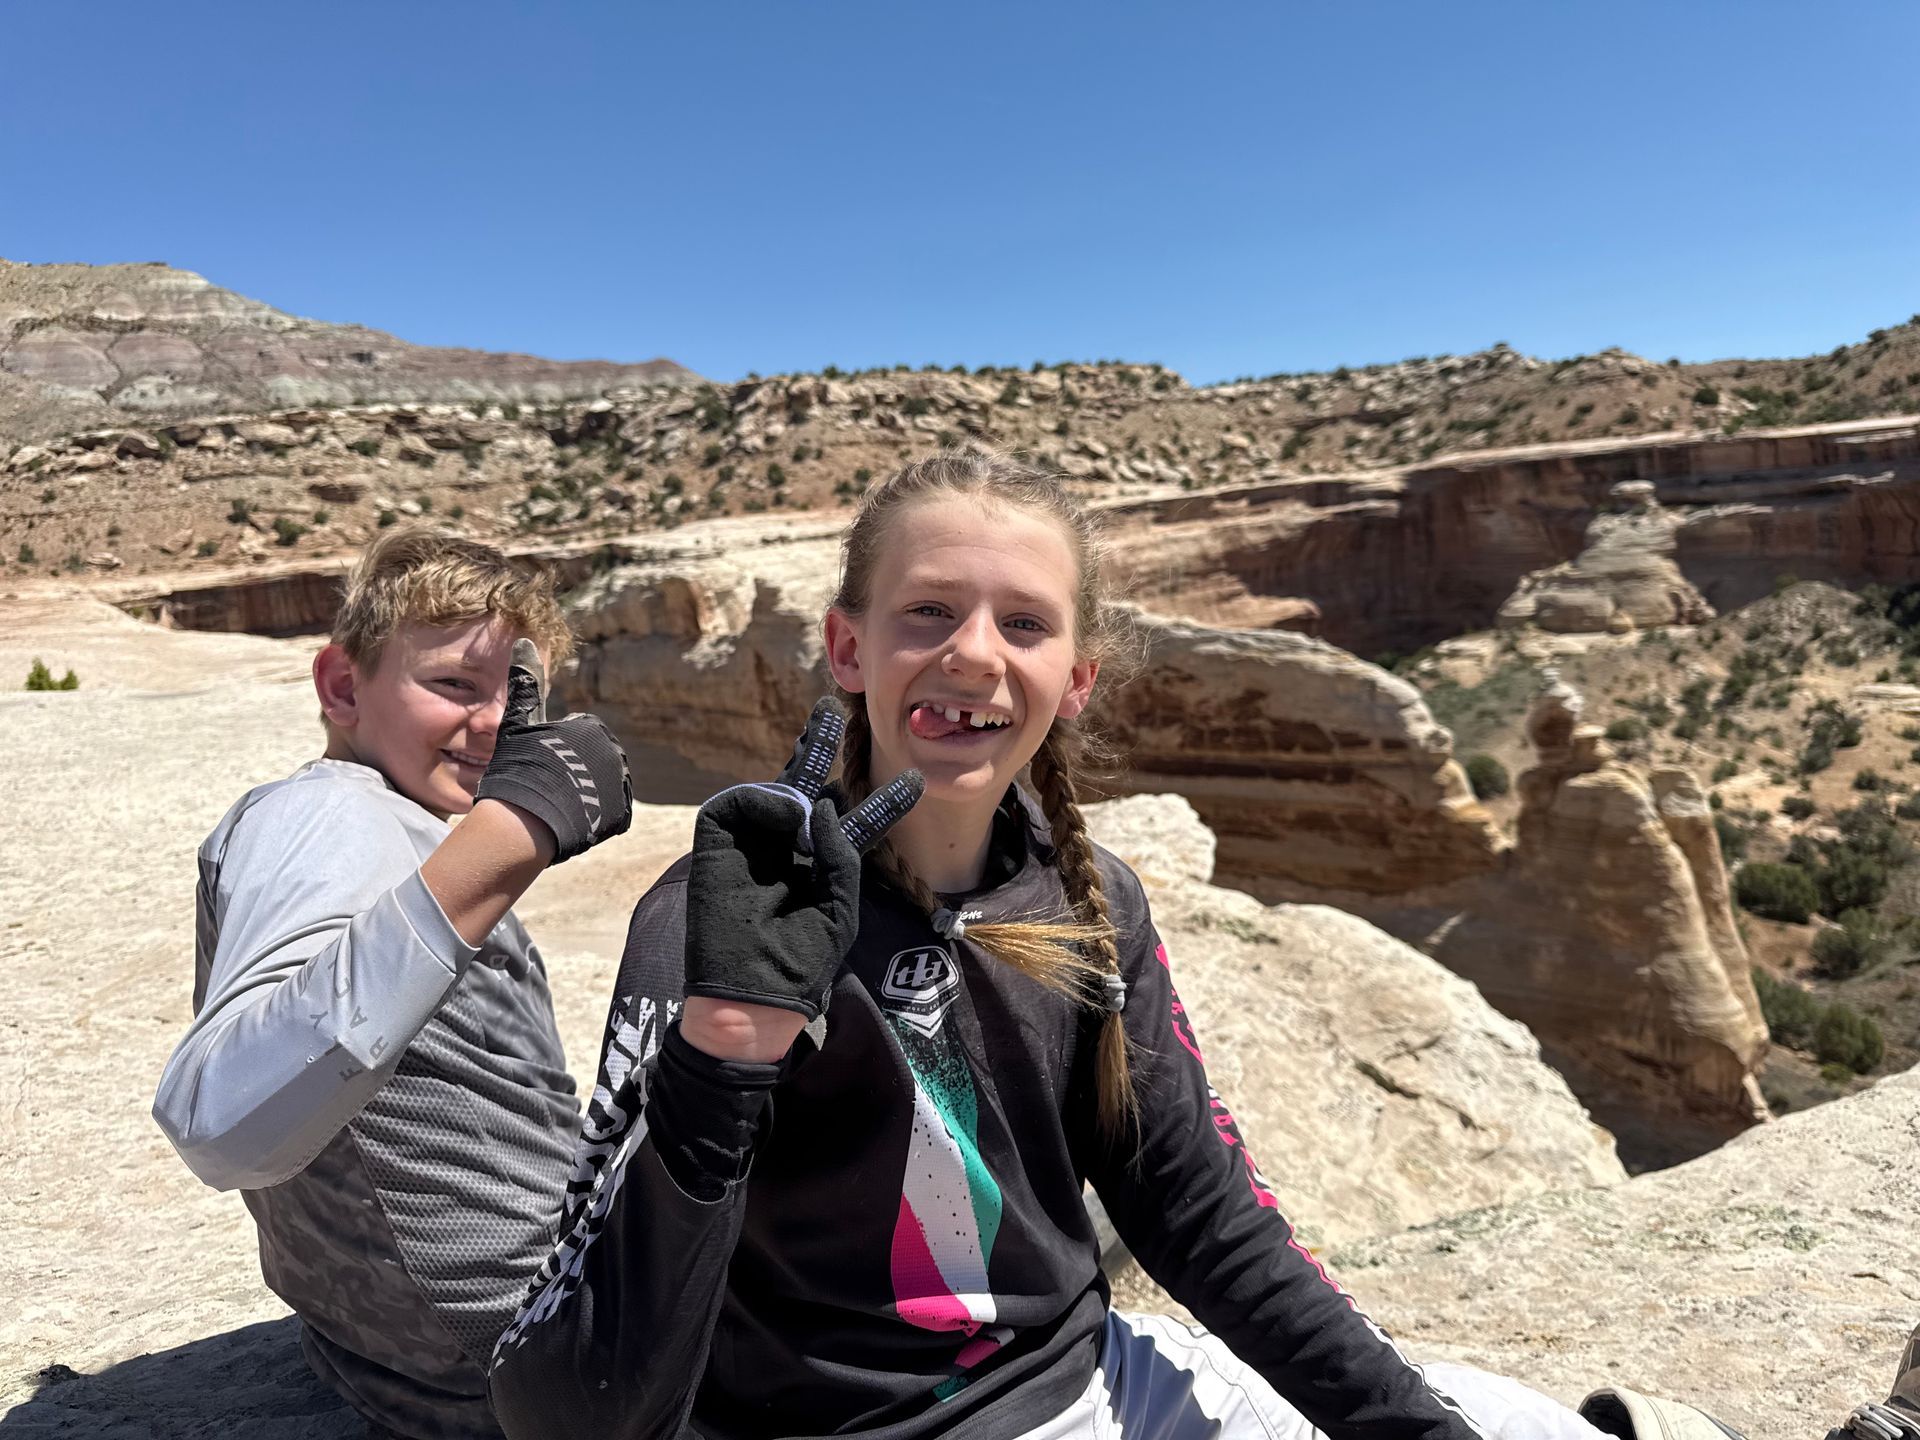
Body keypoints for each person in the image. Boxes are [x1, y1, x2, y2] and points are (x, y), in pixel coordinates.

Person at [483, 450, 1638, 1440]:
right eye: (928, 612)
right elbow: (572, 1402)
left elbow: (1204, 1222)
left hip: (1090, 1390)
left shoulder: (1092, 903)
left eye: (1023, 624)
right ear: (846, 648)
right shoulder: (722, 918)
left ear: (1075, 680)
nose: (975, 655)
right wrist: (725, 1049)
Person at [153, 528, 633, 1439]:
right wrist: (515, 833)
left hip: (390, 1360)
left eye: (517, 694)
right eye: (455, 685)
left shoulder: (378, 819)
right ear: (343, 687)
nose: (494, 723)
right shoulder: (330, 813)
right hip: (537, 1362)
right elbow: (215, 1120)